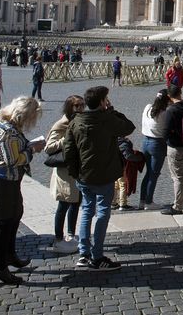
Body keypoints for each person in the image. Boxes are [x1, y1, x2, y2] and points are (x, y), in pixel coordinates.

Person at [63, 86, 135, 271]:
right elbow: (129, 127)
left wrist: (75, 172)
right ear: (103, 102)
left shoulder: (76, 120)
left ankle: (83, 253)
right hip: (104, 175)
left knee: (87, 210)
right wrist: (112, 111)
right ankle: (97, 256)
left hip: (84, 176)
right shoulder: (107, 119)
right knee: (102, 213)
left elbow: (68, 150)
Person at [0, 96, 45, 285]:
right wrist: (32, 149)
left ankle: (10, 255)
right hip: (2, 180)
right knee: (4, 222)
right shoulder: (7, 132)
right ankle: (0, 268)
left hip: (8, 179)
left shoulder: (1, 121)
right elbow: (13, 160)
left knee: (16, 214)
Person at [45, 95, 85, 254]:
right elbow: (49, 147)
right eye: (77, 106)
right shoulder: (61, 124)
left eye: (82, 105)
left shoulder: (80, 121)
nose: (81, 108)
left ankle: (71, 234)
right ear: (70, 107)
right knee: (63, 205)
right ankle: (58, 237)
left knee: (76, 203)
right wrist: (66, 138)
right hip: (64, 173)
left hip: (77, 171)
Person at [160, 85, 183, 215]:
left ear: (169, 96)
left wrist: (166, 143)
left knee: (177, 177)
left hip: (176, 147)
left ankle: (177, 206)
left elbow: (165, 131)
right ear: (181, 93)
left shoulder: (171, 110)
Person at [139, 89, 171, 210]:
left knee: (148, 173)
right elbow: (166, 130)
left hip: (145, 141)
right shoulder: (164, 113)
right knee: (154, 174)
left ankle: (142, 201)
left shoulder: (147, 107)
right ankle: (149, 202)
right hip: (157, 143)